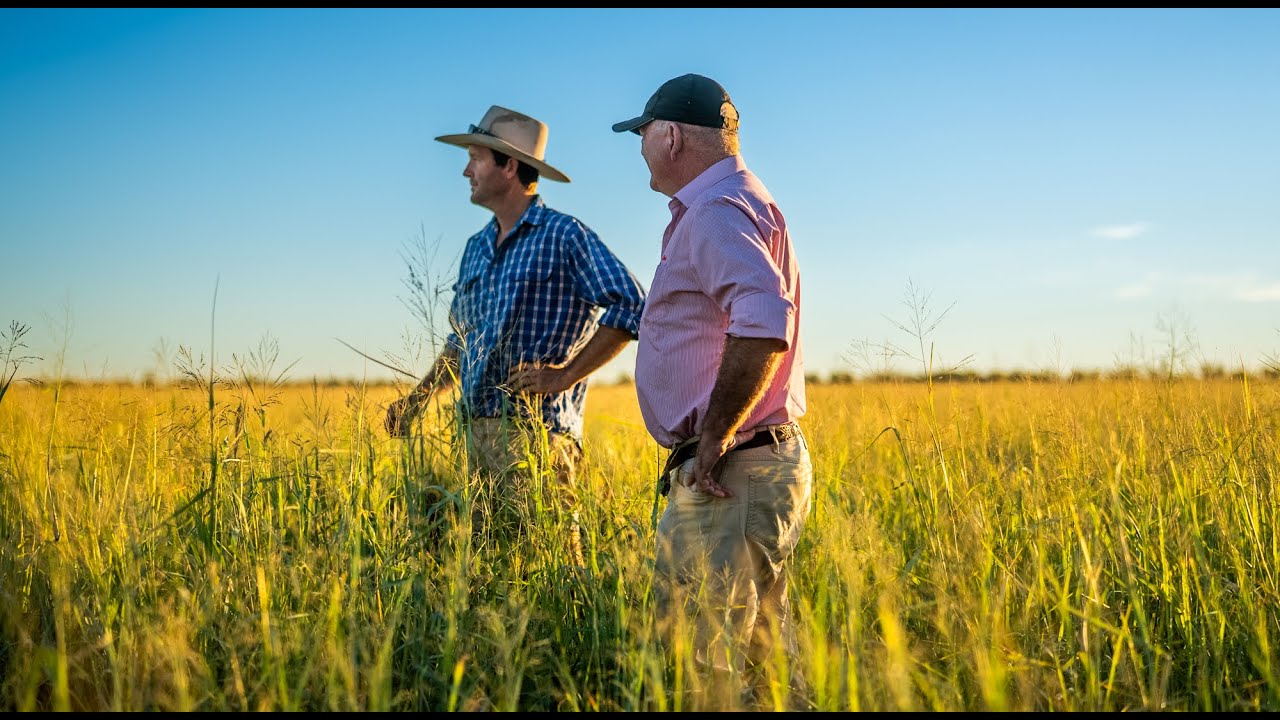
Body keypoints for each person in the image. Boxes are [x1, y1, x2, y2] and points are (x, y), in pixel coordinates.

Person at [612, 74, 811, 709]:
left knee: (704, 664)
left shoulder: (715, 212)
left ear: (670, 136)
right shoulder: (738, 201)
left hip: (732, 469)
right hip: (748, 464)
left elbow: (763, 319)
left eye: (642, 134)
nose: (641, 148)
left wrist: (716, 436)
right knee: (759, 660)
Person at [387, 104, 647, 568]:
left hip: (538, 436)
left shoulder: (564, 236)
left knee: (550, 567)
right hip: (472, 435)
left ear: (509, 165)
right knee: (489, 570)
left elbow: (631, 304)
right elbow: (461, 342)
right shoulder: (475, 248)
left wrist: (564, 375)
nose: (466, 170)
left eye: (476, 158)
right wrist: (418, 399)